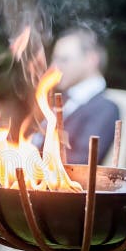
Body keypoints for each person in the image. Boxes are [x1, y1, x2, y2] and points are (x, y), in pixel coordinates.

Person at [31, 27, 119, 163]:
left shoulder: (105, 108)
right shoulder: (64, 100)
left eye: (64, 60)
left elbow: (80, 163)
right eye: (55, 60)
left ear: (91, 60)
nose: (54, 67)